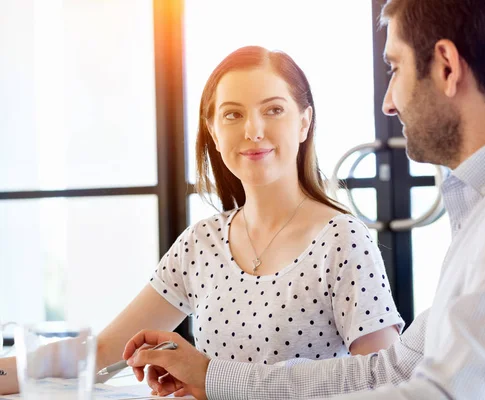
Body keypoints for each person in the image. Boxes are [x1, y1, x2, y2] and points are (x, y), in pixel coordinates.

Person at [121, 0, 485, 399]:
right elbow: (388, 371)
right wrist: (214, 378)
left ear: (448, 67)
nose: (389, 101)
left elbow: (444, 396)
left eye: (395, 68)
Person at [0, 46, 404, 396]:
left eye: (274, 110)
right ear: (212, 129)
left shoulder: (342, 238)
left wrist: (213, 378)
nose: (253, 130)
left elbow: (385, 382)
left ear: (303, 122)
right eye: (232, 114)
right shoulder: (202, 243)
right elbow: (103, 351)